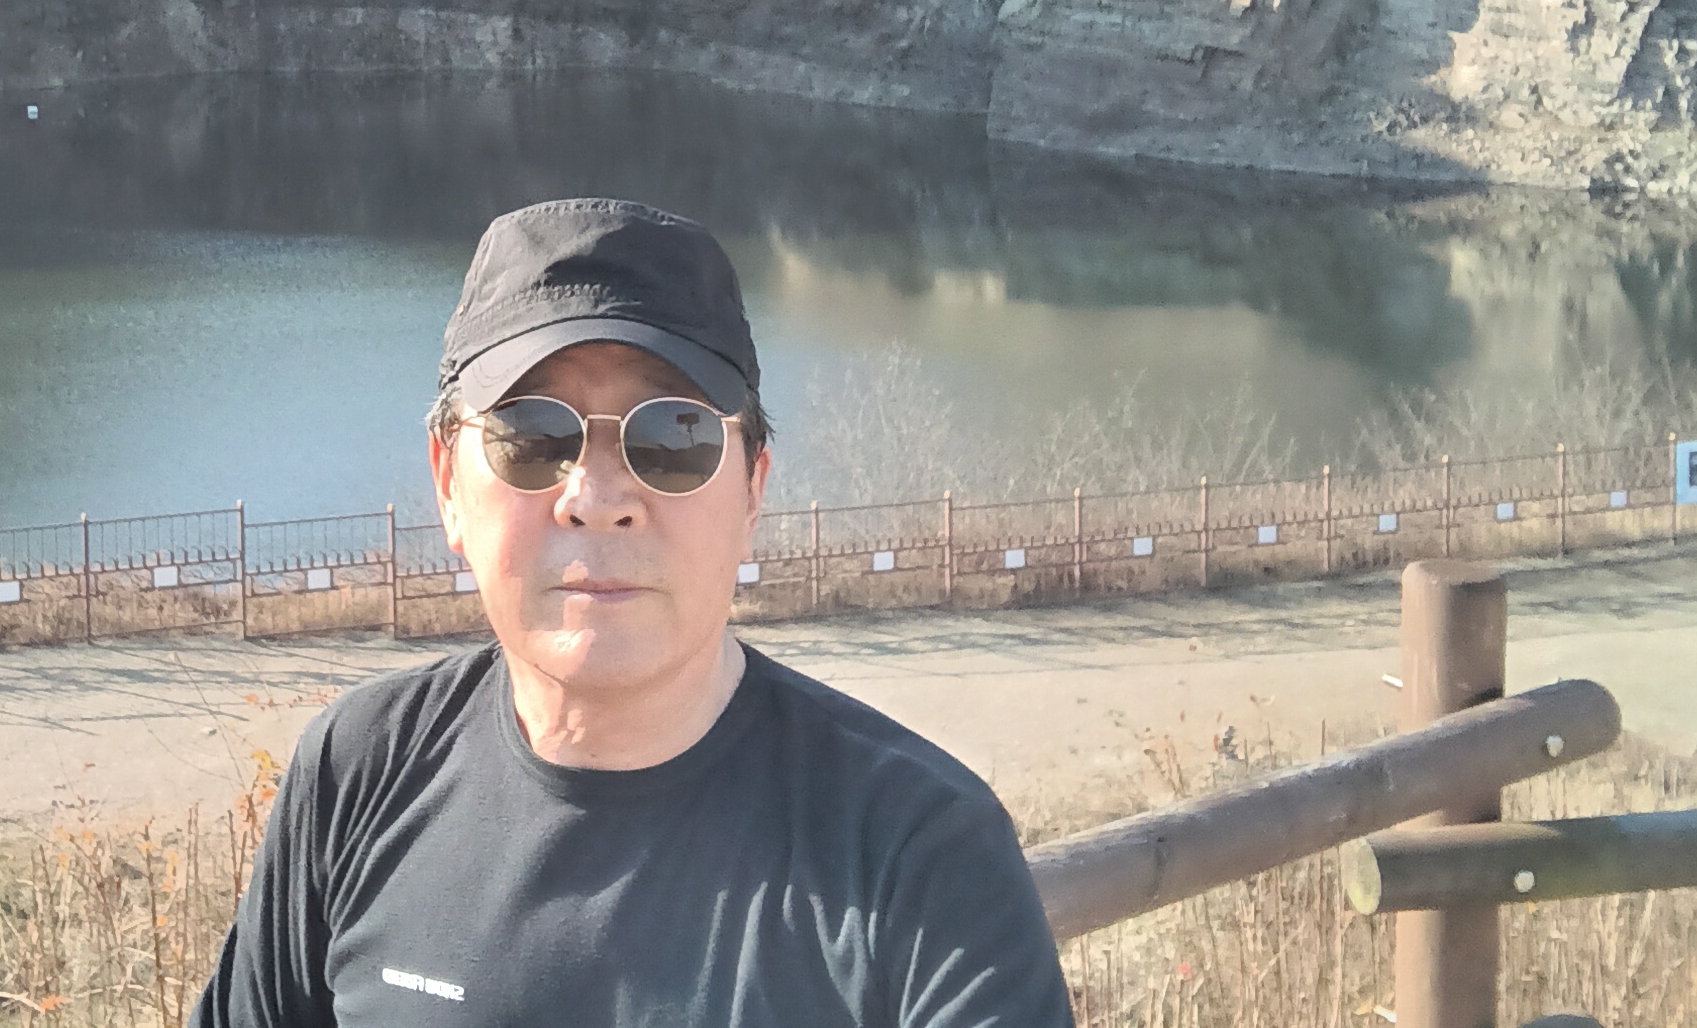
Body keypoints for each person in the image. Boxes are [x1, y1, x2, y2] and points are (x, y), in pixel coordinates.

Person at [192, 198, 1073, 1026]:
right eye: (533, 436)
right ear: (447, 484)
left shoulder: (919, 853)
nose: (597, 498)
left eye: (672, 438)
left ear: (753, 491)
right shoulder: (360, 772)